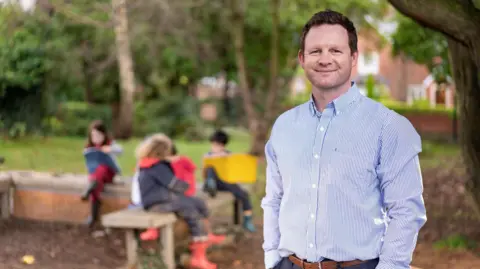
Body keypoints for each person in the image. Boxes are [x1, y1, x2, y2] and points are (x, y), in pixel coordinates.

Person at [262, 10, 427, 269]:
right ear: (302, 59)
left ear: (354, 58)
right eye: (315, 51)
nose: (325, 59)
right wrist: (272, 257)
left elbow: (406, 212)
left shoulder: (389, 127)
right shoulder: (284, 126)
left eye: (335, 51)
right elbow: (274, 199)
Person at [135, 133, 218, 269]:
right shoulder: (157, 167)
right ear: (162, 152)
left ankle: (205, 235)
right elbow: (175, 185)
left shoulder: (152, 164)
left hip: (163, 199)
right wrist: (187, 185)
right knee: (190, 208)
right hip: (156, 204)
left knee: (197, 203)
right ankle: (199, 251)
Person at [203, 130, 256, 232]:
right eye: (213, 145)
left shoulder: (228, 155)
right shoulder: (208, 156)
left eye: (217, 145)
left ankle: (247, 220)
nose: (214, 147)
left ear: (223, 145)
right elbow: (204, 171)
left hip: (226, 182)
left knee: (243, 194)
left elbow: (234, 170)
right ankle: (211, 186)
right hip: (213, 182)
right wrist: (214, 158)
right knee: (210, 168)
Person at [81, 120, 123, 228]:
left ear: (104, 135)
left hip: (108, 173)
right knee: (95, 181)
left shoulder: (109, 144)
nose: (96, 138)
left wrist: (110, 149)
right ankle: (94, 215)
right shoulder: (89, 147)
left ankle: (89, 191)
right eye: (94, 135)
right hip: (96, 176)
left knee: (101, 169)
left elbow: (120, 150)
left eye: (99, 135)